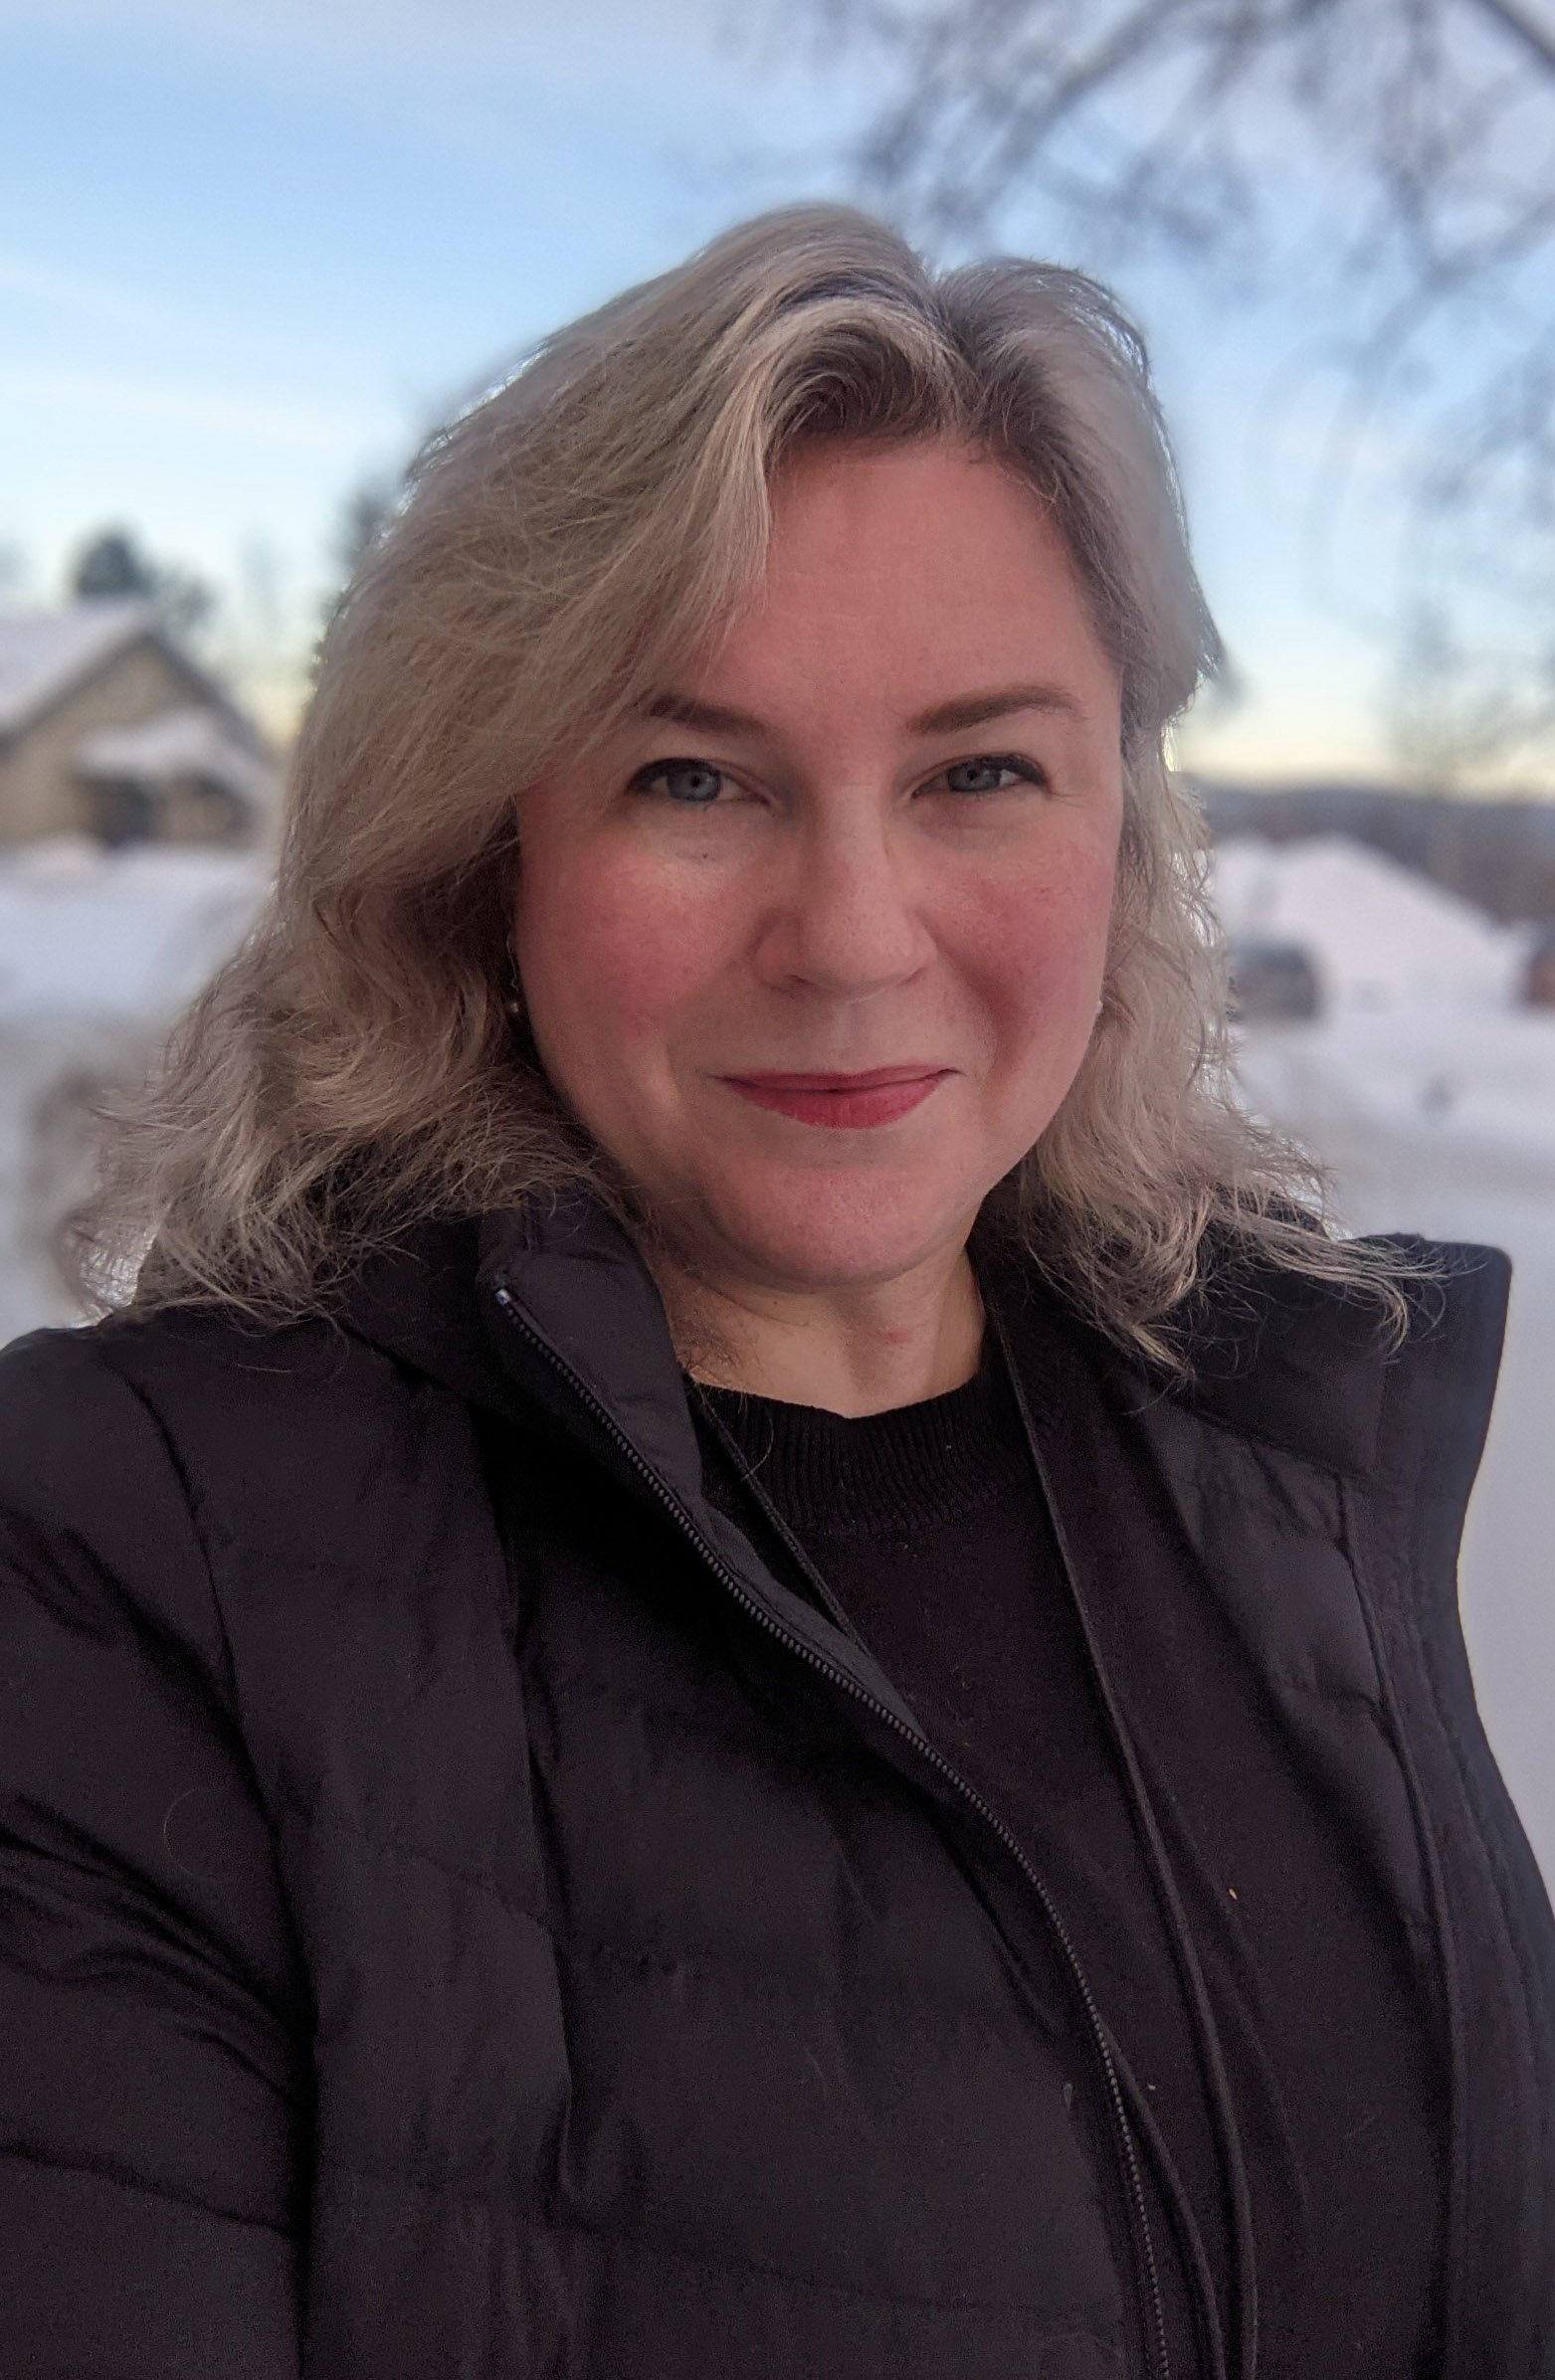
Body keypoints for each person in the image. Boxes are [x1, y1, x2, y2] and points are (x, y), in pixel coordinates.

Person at [1, 207, 1550, 2380]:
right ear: (487, 851)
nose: (846, 935)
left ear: (1122, 832)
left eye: (978, 772)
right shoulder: (127, 1557)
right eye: (691, 778)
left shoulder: (1278, 1460)